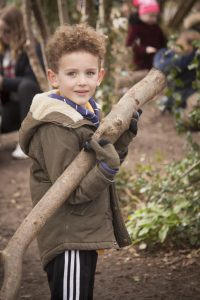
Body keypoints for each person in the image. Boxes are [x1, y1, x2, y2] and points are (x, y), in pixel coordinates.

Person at [19, 23, 141, 300]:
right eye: (71, 74)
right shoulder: (56, 127)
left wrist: (122, 141)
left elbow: (92, 161)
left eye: (88, 73)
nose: (82, 81)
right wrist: (107, 167)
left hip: (80, 230)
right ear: (53, 77)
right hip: (67, 235)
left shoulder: (86, 112)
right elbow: (71, 192)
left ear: (100, 75)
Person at [0, 5, 44, 158]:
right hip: (10, 107)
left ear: (17, 28)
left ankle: (26, 141)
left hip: (31, 105)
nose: (3, 35)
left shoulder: (32, 47)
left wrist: (4, 82)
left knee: (26, 86)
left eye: (7, 31)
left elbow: (32, 80)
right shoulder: (3, 51)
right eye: (1, 31)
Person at [153, 24, 200, 112]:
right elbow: (162, 67)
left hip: (187, 96)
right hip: (174, 95)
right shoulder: (164, 53)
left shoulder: (194, 58)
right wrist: (188, 56)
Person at [126, 0, 166, 70]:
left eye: (155, 16)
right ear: (142, 14)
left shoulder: (156, 27)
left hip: (156, 60)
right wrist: (145, 49)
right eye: (151, 16)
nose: (154, 19)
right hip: (141, 63)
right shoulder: (136, 28)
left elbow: (163, 40)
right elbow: (130, 44)